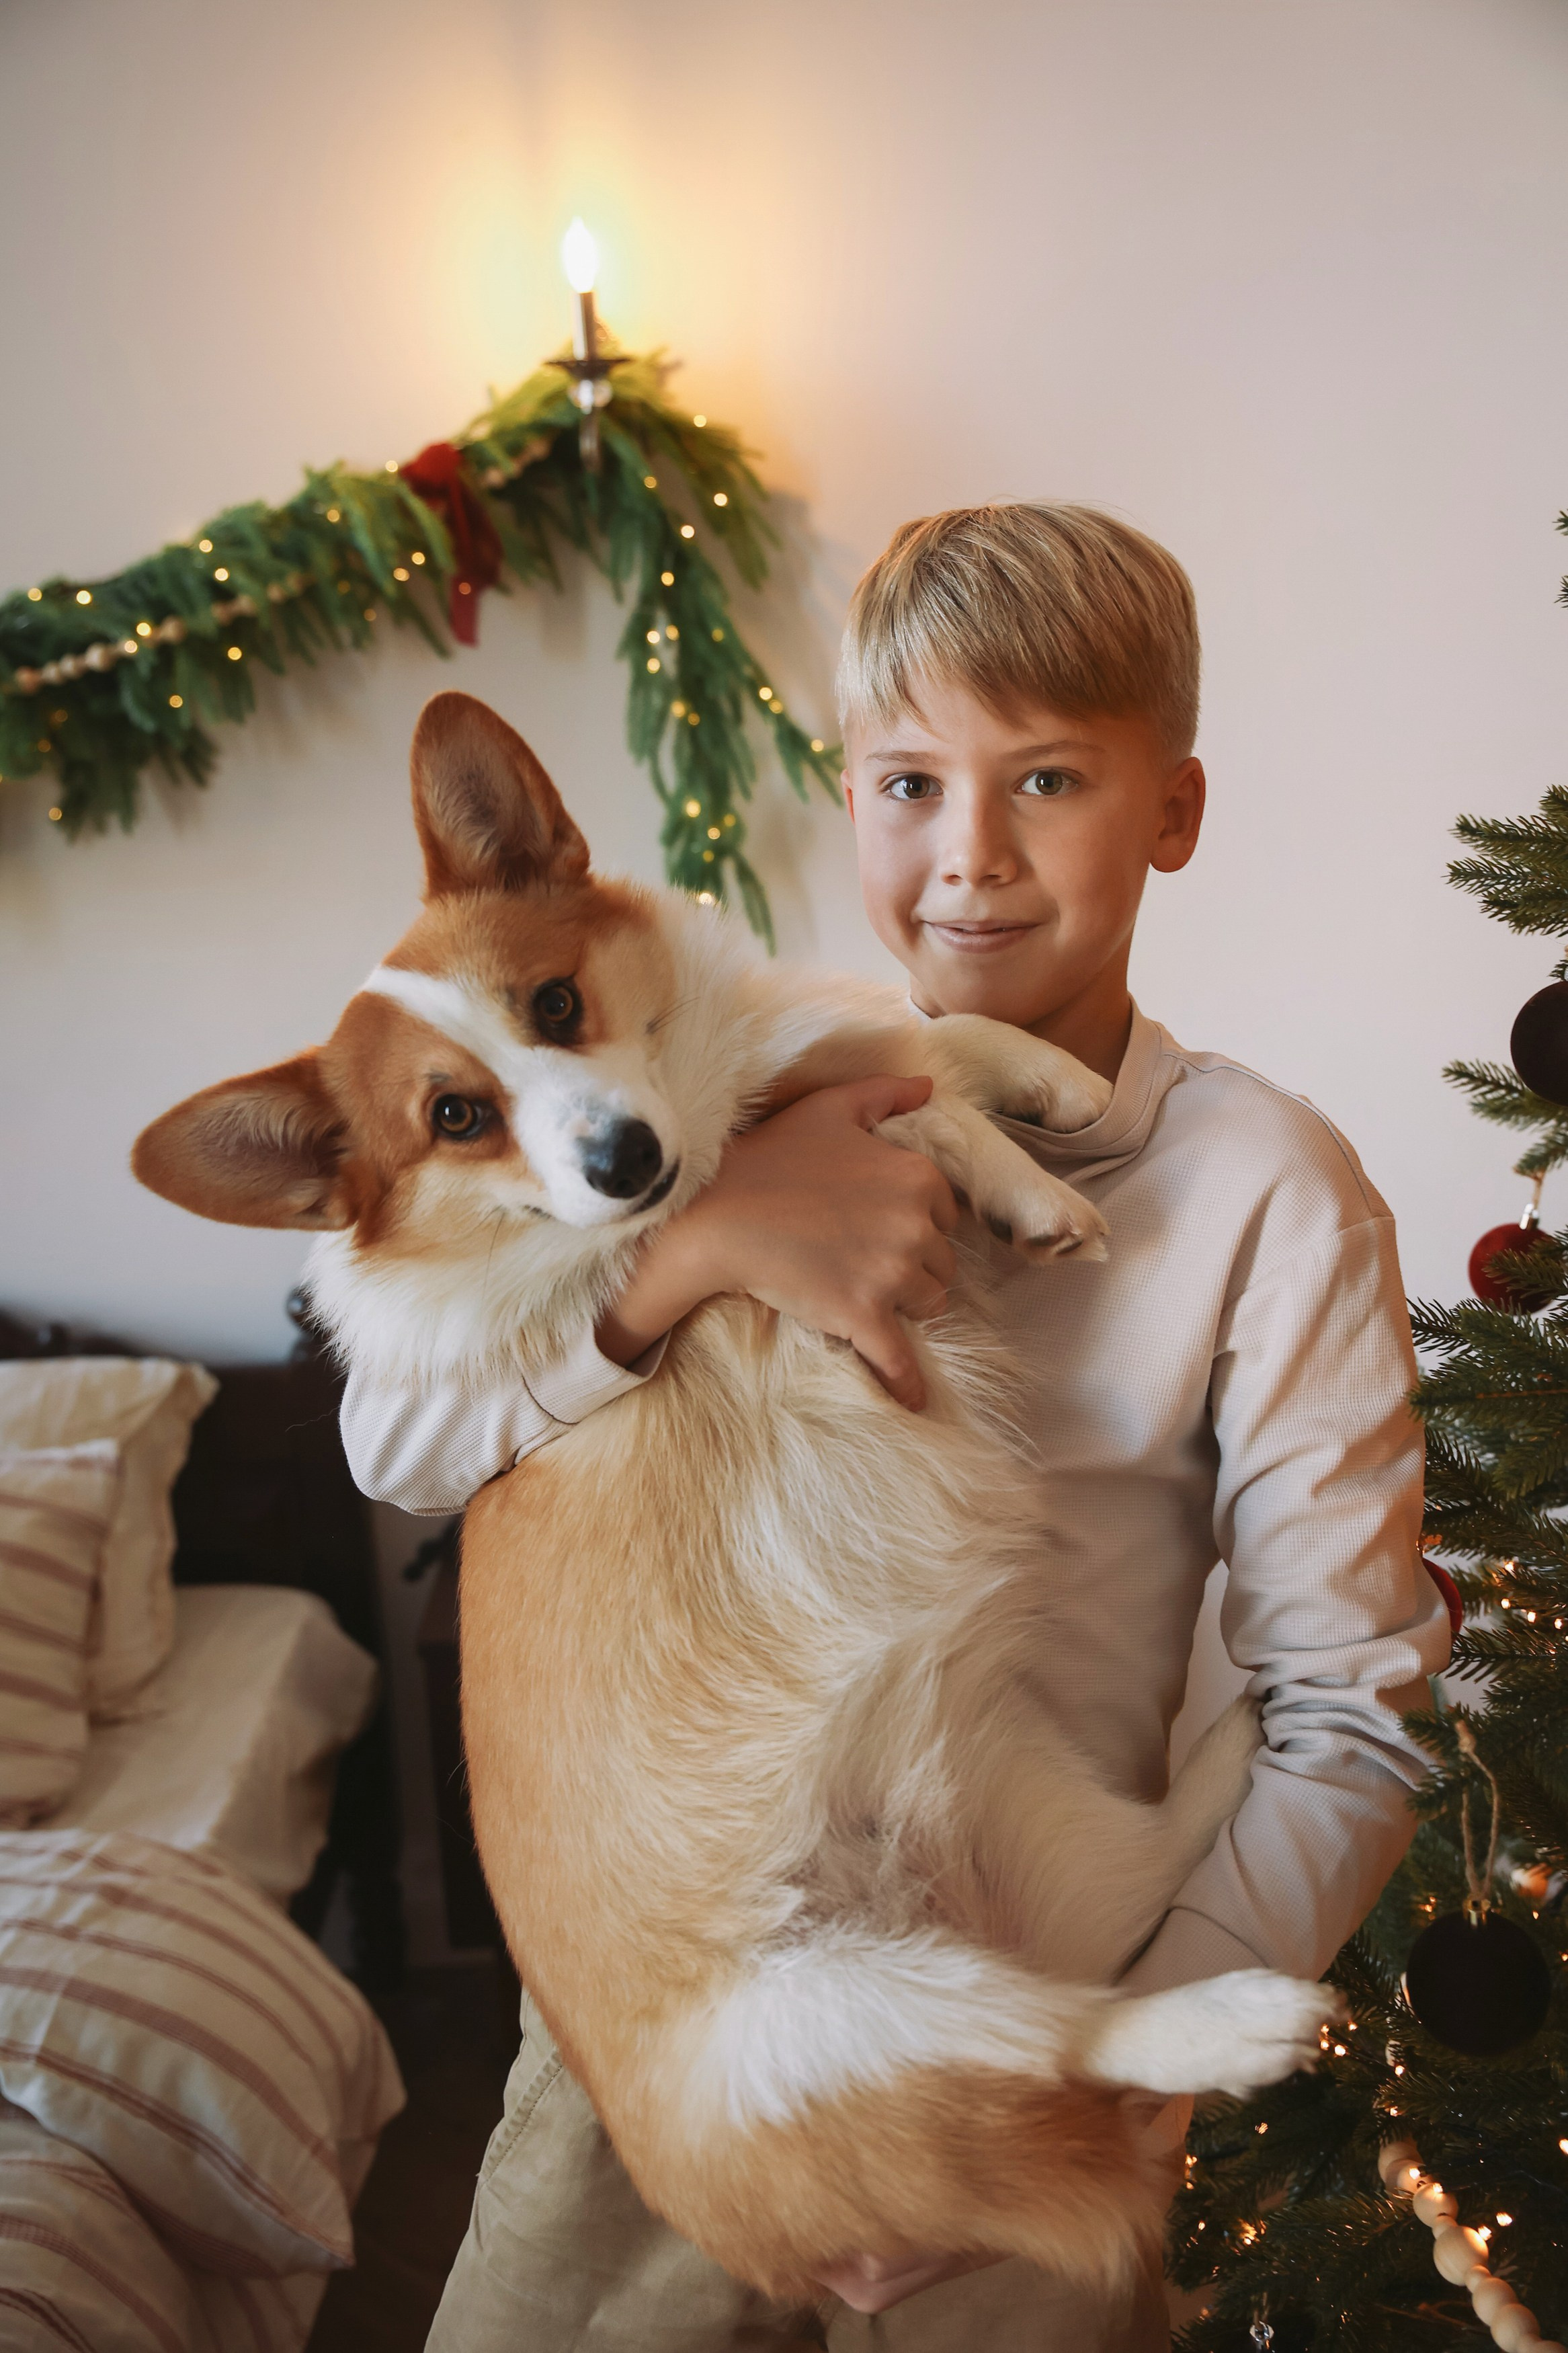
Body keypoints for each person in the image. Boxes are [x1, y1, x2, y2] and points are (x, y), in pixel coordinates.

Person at [343, 503, 1451, 2352]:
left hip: (1038, 1988)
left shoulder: (1270, 1189)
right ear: (845, 792)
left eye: (1050, 782)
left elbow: (1353, 1706)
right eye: (912, 782)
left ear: (1172, 811)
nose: (972, 858)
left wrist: (1108, 2085)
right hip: (661, 1997)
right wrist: (691, 1250)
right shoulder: (706, 1099)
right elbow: (404, 1427)